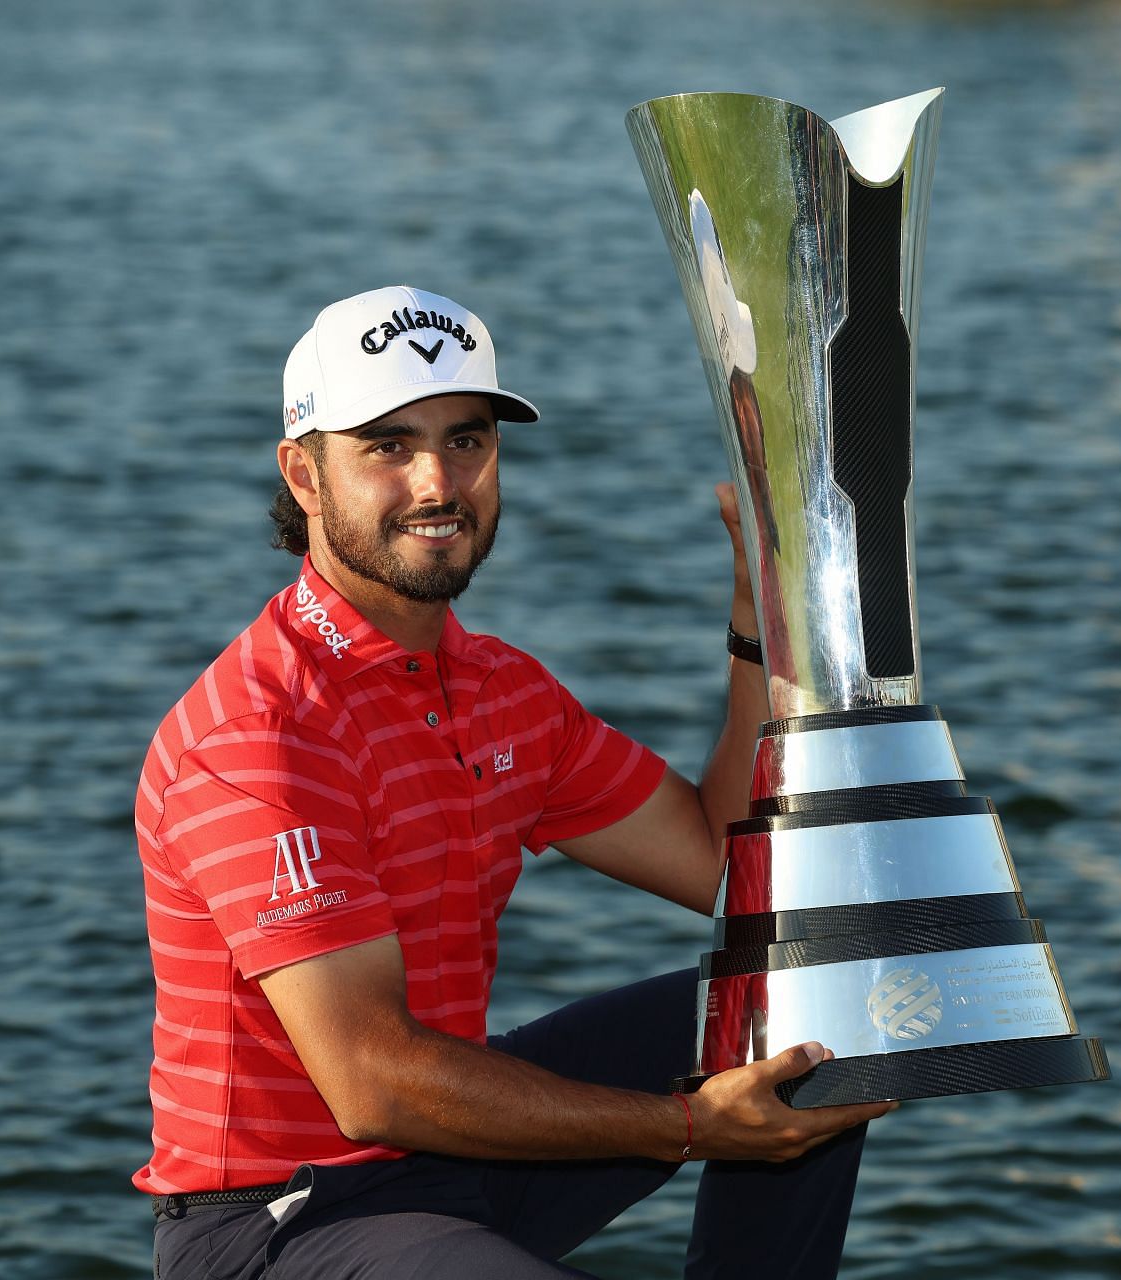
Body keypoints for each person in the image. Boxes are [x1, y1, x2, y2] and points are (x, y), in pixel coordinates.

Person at [133, 284, 893, 1279]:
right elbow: (369, 1082)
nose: (437, 480)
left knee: (814, 1006)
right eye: (387, 446)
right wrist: (688, 1124)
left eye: (467, 439)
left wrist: (760, 627)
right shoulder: (263, 732)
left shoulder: (498, 689)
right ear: (305, 475)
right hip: (282, 1221)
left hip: (449, 1165)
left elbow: (726, 862)